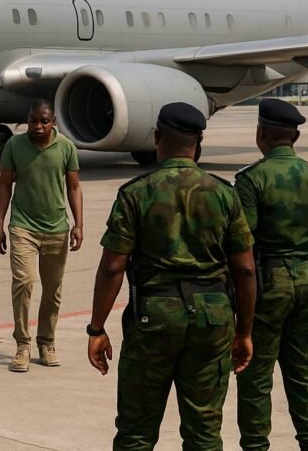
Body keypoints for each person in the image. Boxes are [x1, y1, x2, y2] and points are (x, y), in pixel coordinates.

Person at [88, 102, 257, 450]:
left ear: (157, 137)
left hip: (154, 317)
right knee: (204, 433)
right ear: (199, 141)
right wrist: (244, 331)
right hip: (213, 318)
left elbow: (112, 266)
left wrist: (97, 327)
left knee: (136, 432)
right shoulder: (224, 193)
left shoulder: (137, 192)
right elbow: (245, 268)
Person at [235, 99, 308, 451]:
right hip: (304, 279)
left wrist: (242, 313)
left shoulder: (251, 180)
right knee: (301, 374)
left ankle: (256, 446)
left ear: (261, 133)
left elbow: (243, 250)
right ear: (295, 135)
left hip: (266, 283)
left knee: (255, 377)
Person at [0, 99, 84, 371]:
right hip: (22, 227)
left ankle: (46, 342)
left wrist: (79, 224)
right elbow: (5, 186)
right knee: (24, 282)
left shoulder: (66, 148)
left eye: (44, 121)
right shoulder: (14, 146)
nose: (38, 126)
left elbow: (74, 187)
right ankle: (22, 344)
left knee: (53, 290)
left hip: (57, 229)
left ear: (53, 122)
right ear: (28, 120)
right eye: (33, 120)